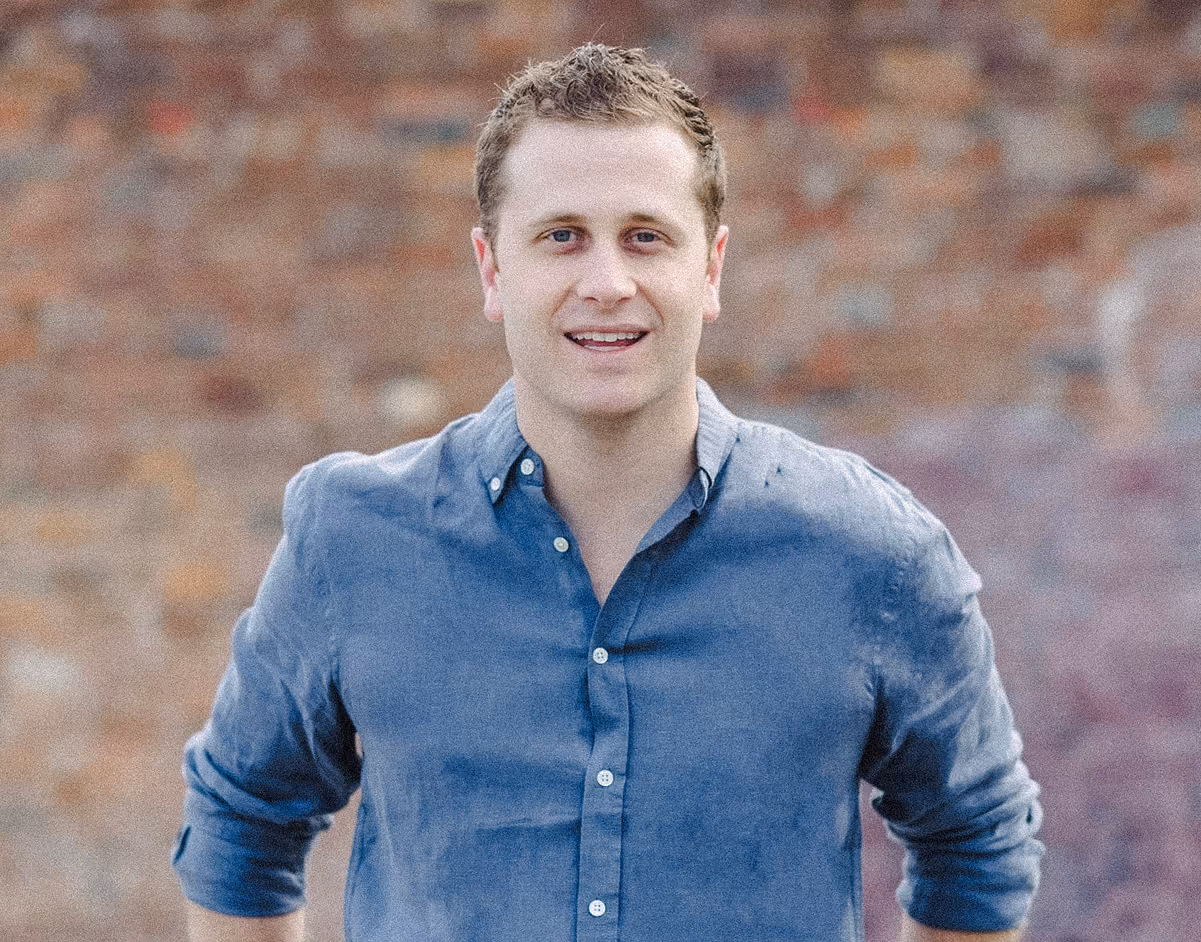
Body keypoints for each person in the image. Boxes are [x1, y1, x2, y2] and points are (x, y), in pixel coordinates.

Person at [173, 43, 1043, 942]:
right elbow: (241, 823)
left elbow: (976, 843)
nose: (606, 285)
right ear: (491, 270)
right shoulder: (353, 538)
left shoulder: (870, 554)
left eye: (644, 236)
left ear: (710, 268)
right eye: (561, 236)